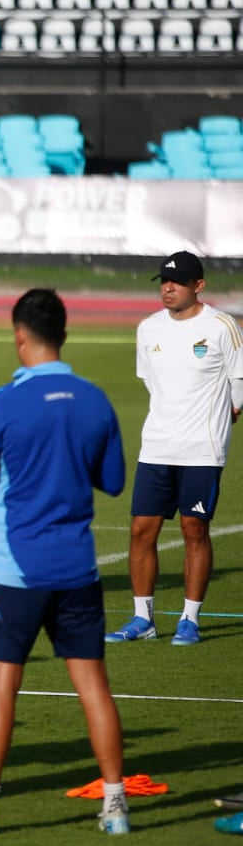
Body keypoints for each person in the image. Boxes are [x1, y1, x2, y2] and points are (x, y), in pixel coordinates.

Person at [0, 288, 128, 836]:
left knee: (0, 687)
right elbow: (112, 482)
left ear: (20, 336)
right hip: (78, 567)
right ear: (63, 334)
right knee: (94, 685)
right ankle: (115, 807)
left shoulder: (5, 401)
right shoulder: (95, 399)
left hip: (16, 569)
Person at [107, 251, 243, 647]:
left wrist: (230, 410)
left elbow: (239, 381)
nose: (168, 288)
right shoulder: (148, 329)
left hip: (202, 448)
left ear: (198, 286)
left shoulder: (222, 326)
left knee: (193, 529)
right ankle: (142, 618)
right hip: (157, 446)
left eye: (178, 282)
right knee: (140, 530)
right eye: (164, 281)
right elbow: (151, 382)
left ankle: (189, 618)